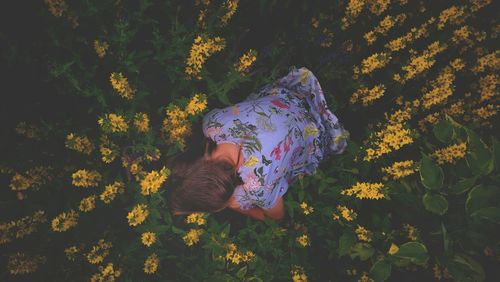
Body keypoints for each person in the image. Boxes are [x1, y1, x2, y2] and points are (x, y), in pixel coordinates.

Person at [163, 66, 349, 221]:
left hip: (314, 132)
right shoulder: (211, 124)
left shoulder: (258, 184)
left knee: (241, 199)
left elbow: (275, 216)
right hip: (290, 98)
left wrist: (233, 204)